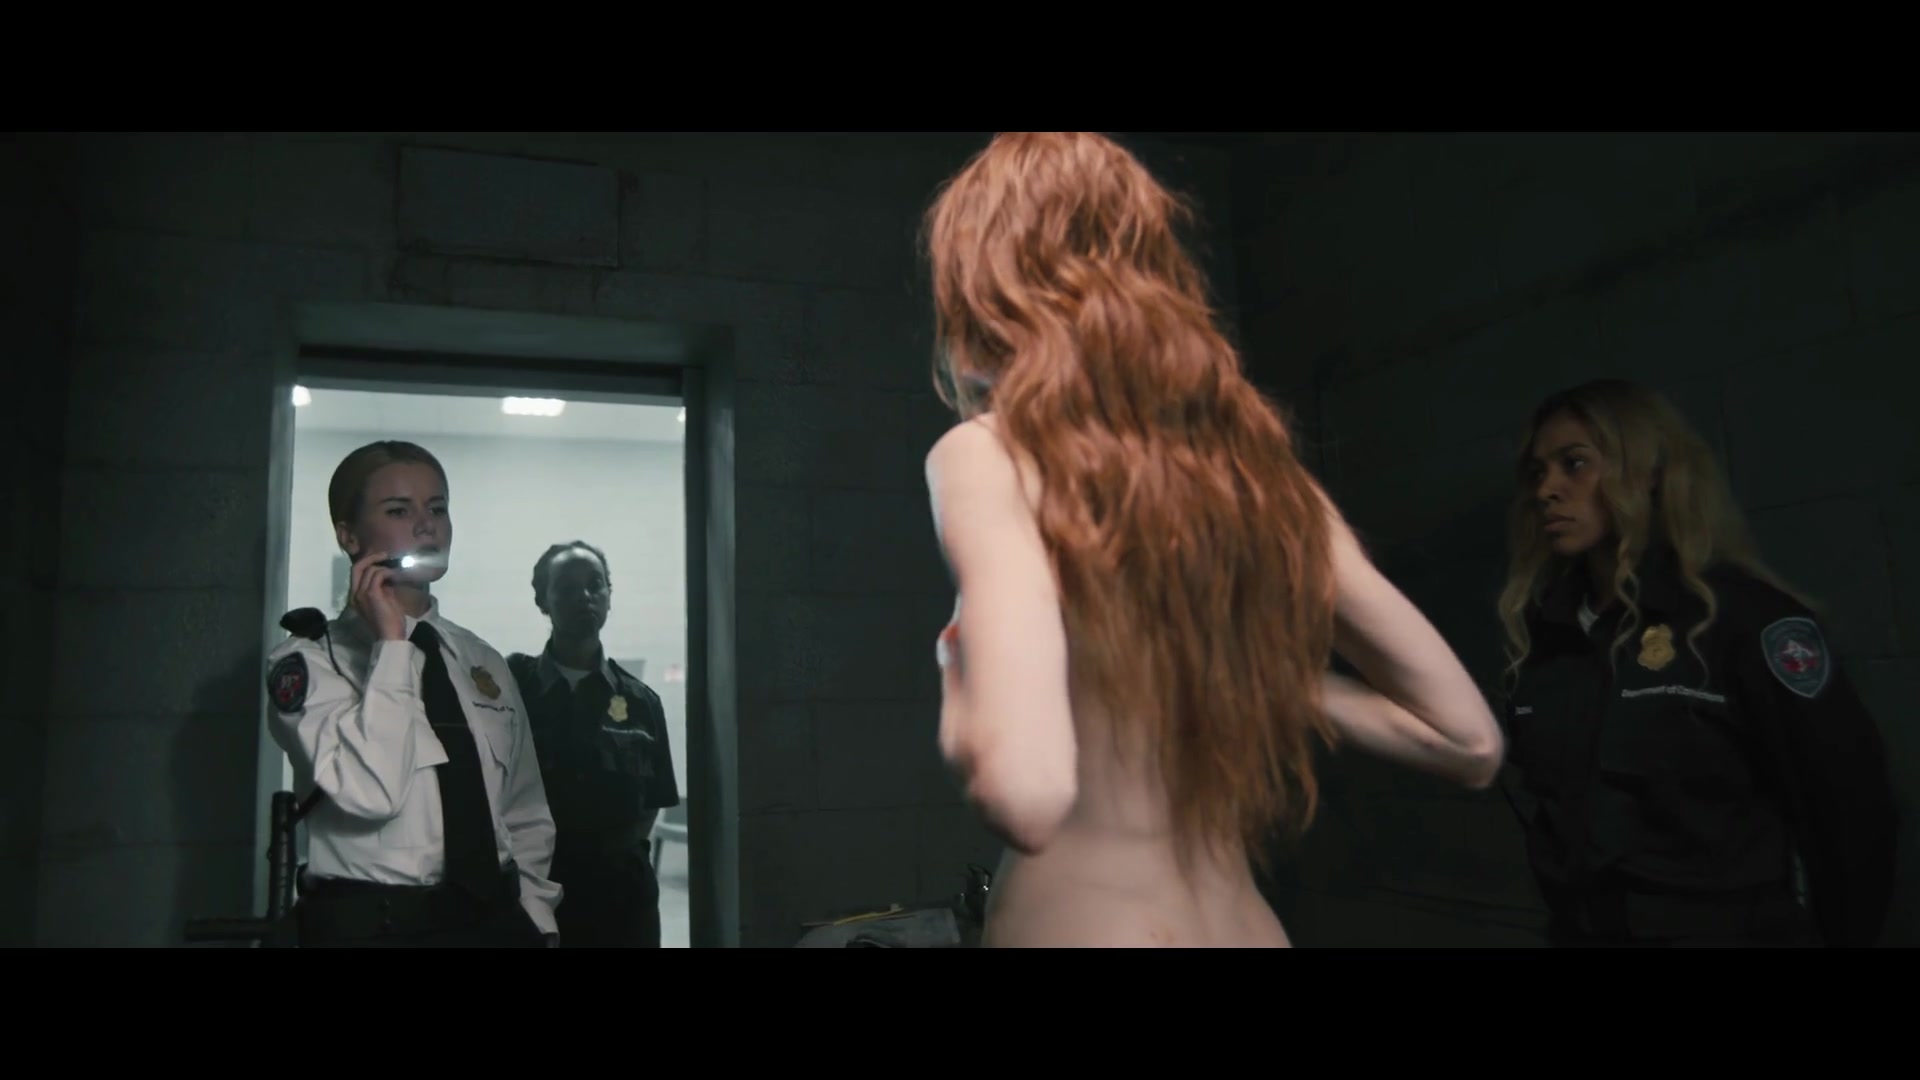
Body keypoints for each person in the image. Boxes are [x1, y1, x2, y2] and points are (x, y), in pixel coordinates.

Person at [919, 131, 1505, 948]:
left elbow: (1026, 793)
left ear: (989, 286)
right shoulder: (1264, 482)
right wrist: (1248, 676)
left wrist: (959, 683)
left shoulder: (990, 454)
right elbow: (1469, 741)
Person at [1496, 378, 1897, 948]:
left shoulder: (1741, 621)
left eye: (1575, 464)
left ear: (1648, 471)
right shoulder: (1549, 637)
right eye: (1538, 472)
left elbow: (1849, 809)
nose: (1546, 490)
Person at [264, 440, 561, 947]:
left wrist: (536, 917)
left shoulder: (480, 660)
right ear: (348, 535)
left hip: (495, 926)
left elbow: (524, 809)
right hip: (377, 929)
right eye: (399, 511)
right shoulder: (310, 662)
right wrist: (391, 645)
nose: (427, 526)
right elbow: (372, 794)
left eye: (437, 509)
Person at [507, 541, 679, 948]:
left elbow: (651, 803)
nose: (584, 596)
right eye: (567, 588)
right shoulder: (513, 689)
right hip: (535, 891)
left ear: (608, 596)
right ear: (542, 600)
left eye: (595, 585)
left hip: (621, 903)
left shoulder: (640, 702)